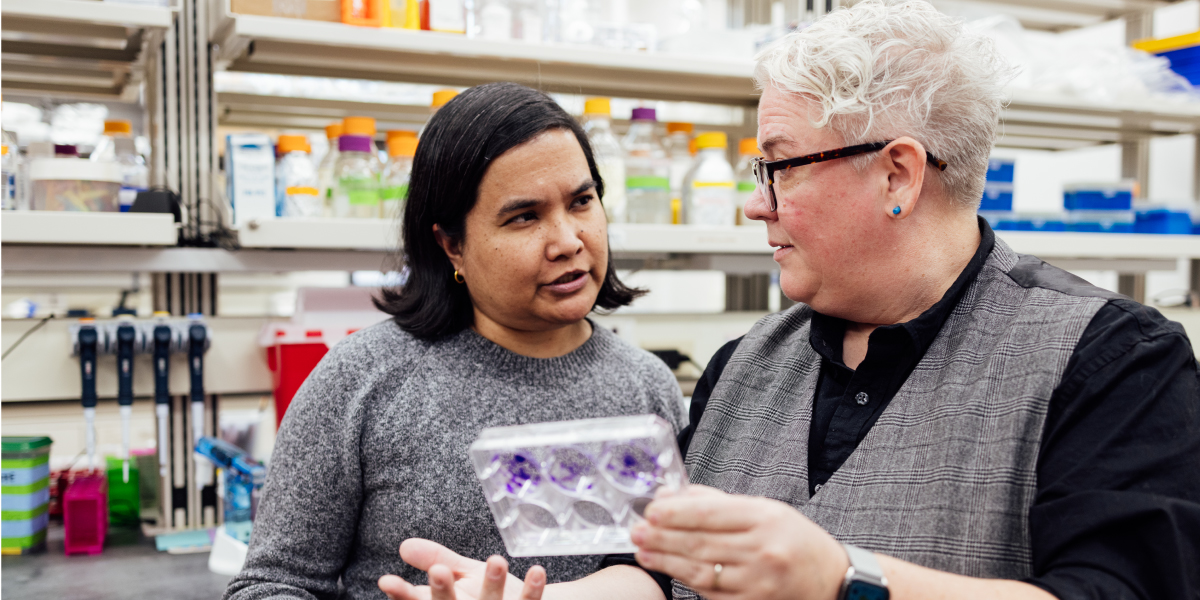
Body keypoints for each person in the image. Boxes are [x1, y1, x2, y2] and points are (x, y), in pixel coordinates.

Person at [378, 2, 1200, 599]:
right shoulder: (749, 367)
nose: (755, 203)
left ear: (898, 174)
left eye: (780, 165)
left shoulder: (1114, 361)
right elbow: (663, 573)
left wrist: (846, 579)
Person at [224, 82, 686, 600]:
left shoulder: (648, 387)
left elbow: (679, 575)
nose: (568, 241)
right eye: (524, 217)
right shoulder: (361, 380)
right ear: (451, 245)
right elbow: (270, 586)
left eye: (582, 201)